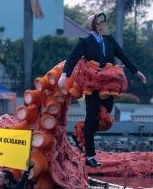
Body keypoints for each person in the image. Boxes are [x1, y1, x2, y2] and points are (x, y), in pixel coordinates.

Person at [58, 12, 146, 167]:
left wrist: (136, 72)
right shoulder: (84, 42)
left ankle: (82, 133)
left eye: (103, 22)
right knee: (92, 116)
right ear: (93, 25)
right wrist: (64, 75)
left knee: (105, 114)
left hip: (108, 85)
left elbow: (122, 55)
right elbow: (72, 58)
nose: (102, 25)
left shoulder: (109, 40)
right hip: (92, 86)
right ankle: (90, 155)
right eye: (99, 22)